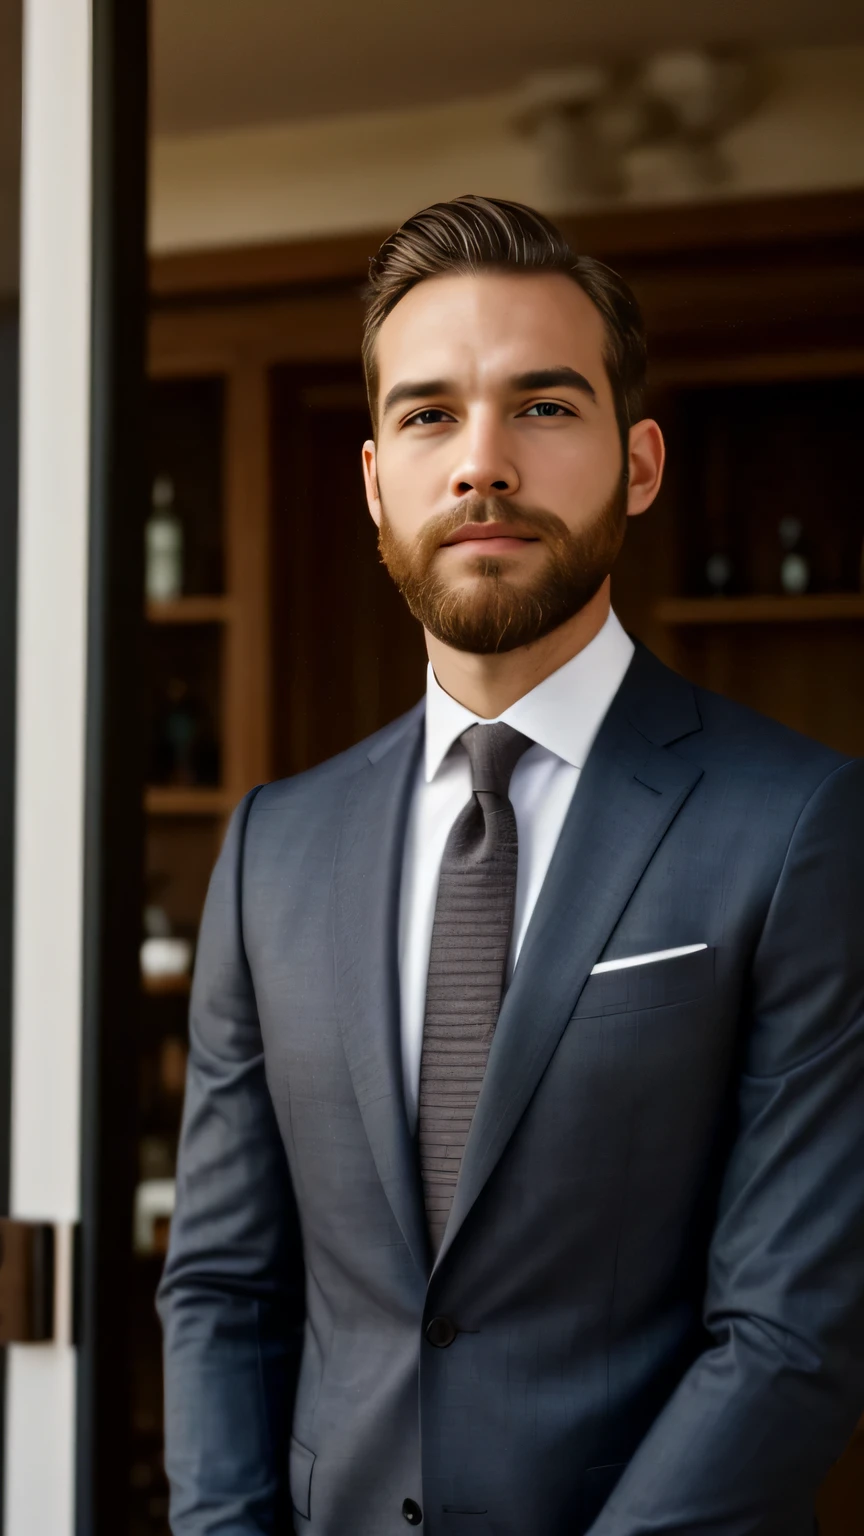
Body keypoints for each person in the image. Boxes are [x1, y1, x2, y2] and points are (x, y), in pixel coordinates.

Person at [157, 195, 864, 1536]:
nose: (483, 463)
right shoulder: (270, 849)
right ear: (376, 481)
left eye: (543, 407)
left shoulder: (800, 827)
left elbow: (794, 1328)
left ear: (638, 462)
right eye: (429, 415)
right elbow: (221, 1290)